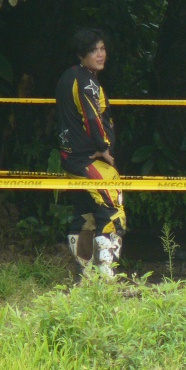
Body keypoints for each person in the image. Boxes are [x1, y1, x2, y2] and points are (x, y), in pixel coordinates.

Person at [55, 28, 126, 277]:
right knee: (112, 210)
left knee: (84, 214)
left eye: (103, 48)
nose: (100, 54)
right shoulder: (86, 81)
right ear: (81, 54)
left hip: (70, 159)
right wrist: (105, 148)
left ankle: (84, 277)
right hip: (88, 160)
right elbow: (93, 118)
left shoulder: (68, 76)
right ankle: (106, 278)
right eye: (94, 50)